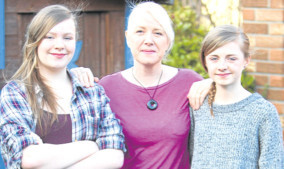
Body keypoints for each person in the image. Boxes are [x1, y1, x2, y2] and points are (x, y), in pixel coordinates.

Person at [72, 1, 207, 168]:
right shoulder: (106, 88)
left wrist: (214, 84)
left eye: (158, 33)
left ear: (168, 40)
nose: (148, 40)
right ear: (128, 37)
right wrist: (71, 77)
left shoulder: (189, 82)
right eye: (140, 32)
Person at [0, 5, 126, 169]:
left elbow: (115, 155)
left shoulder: (92, 92)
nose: (59, 45)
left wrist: (48, 156)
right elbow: (28, 158)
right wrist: (91, 146)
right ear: (35, 41)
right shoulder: (15, 94)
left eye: (67, 38)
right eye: (50, 37)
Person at [189, 25, 284, 168]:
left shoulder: (263, 112)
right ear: (205, 62)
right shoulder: (197, 105)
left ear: (246, 60)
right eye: (214, 58)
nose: (222, 66)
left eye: (231, 58)